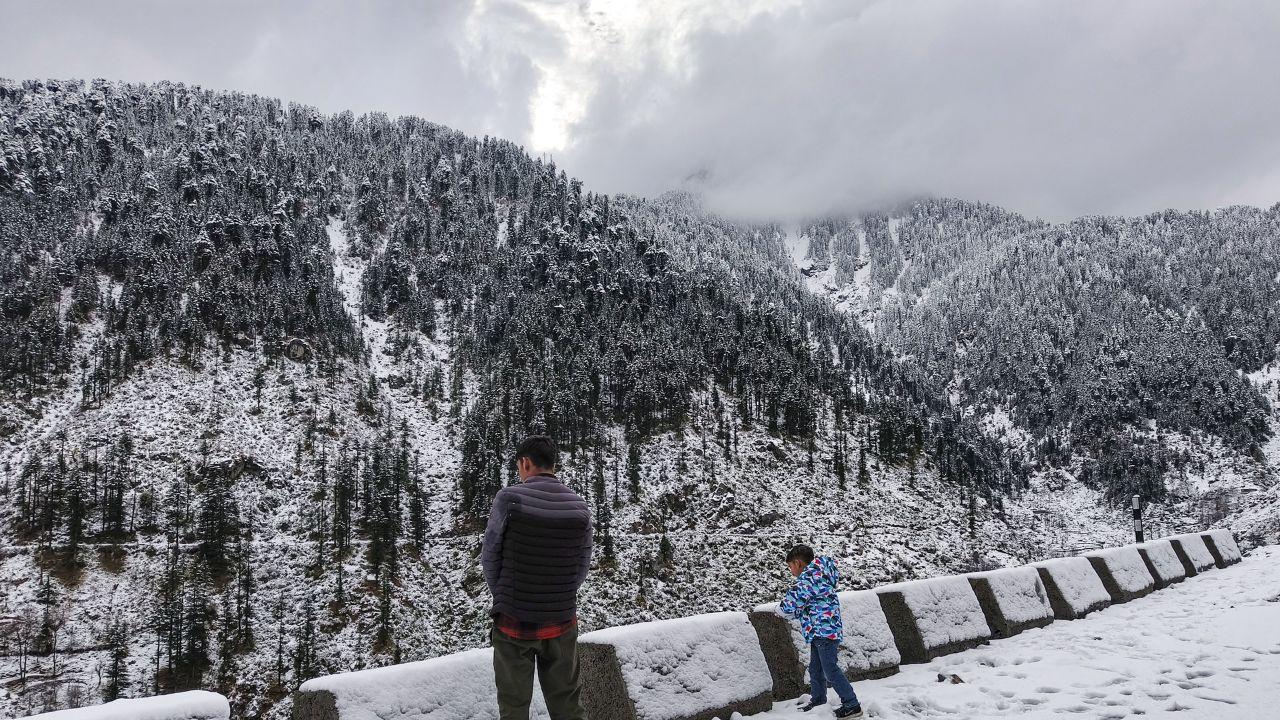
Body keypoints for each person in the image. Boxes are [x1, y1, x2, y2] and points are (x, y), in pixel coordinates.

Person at [482, 435, 593, 720]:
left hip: (514, 623)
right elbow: (581, 567)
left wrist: (506, 596)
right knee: (568, 705)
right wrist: (558, 595)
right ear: (553, 465)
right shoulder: (580, 507)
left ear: (525, 462)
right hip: (562, 621)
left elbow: (490, 555)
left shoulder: (509, 498)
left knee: (514, 707)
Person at [779, 544, 864, 719]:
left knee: (830, 669)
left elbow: (795, 599)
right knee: (815, 669)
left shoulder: (810, 577)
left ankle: (852, 704)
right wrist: (792, 614)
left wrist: (781, 610)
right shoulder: (819, 575)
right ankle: (818, 700)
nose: (791, 571)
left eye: (790, 566)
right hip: (820, 630)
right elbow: (806, 605)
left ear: (798, 563)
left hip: (824, 631)